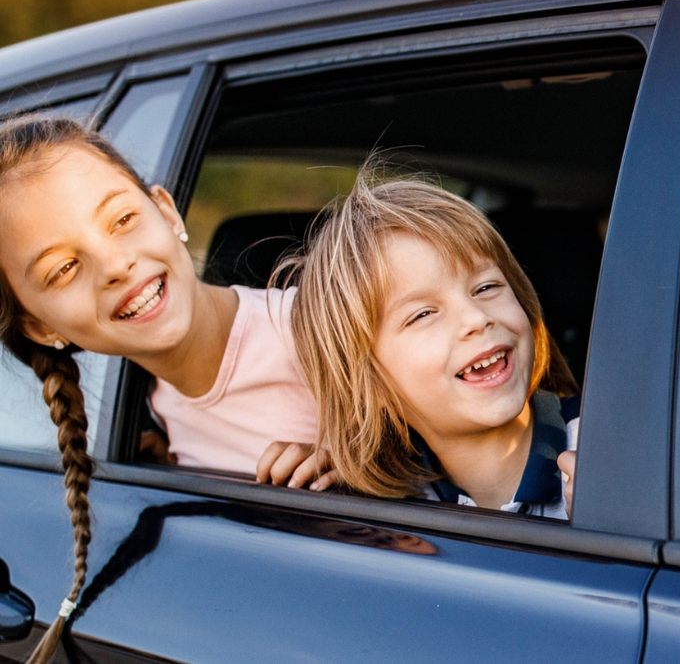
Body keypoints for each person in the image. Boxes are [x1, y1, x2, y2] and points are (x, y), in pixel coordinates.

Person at [0, 116, 323, 663]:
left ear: (167, 212)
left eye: (122, 220)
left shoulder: (322, 334)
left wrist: (365, 464)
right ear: (41, 328)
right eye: (62, 270)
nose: (114, 265)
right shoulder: (154, 418)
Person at [277, 172, 580, 519]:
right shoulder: (374, 509)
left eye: (486, 287)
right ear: (368, 383)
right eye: (422, 314)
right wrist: (320, 483)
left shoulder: (613, 450)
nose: (476, 319)